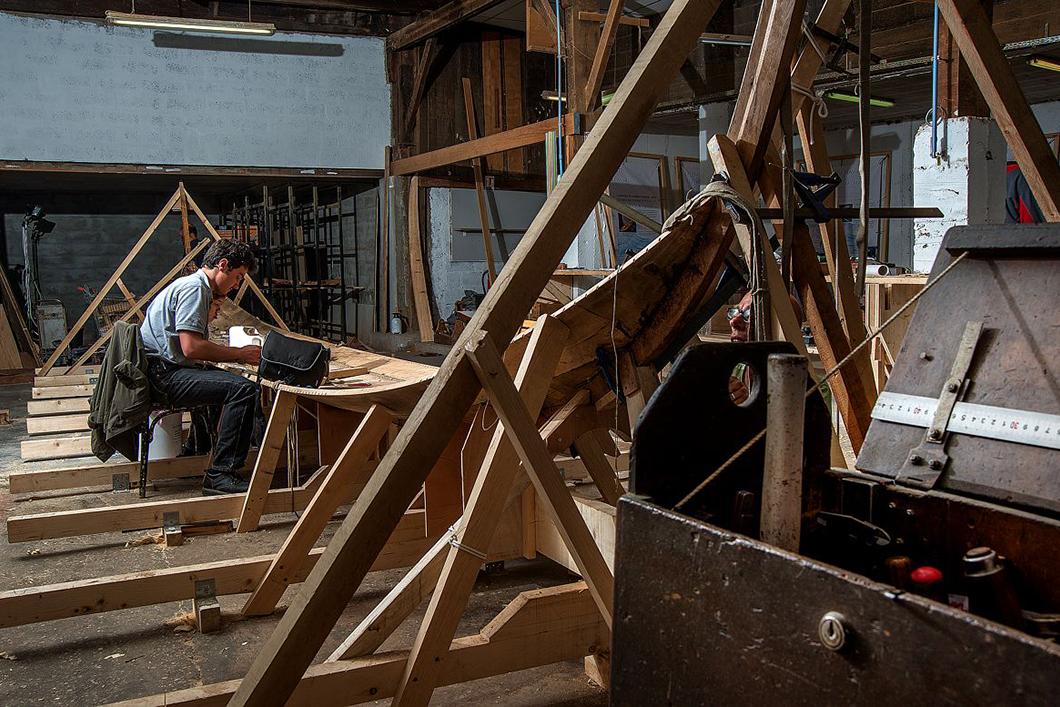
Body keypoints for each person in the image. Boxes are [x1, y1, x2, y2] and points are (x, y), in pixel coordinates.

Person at [140, 239, 263, 495]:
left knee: (222, 381)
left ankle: (199, 449)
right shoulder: (196, 289)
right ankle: (221, 474)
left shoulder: (192, 286)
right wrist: (240, 355)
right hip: (164, 376)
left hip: (163, 371)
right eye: (238, 277)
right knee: (244, 390)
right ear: (223, 265)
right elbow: (191, 348)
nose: (237, 285)